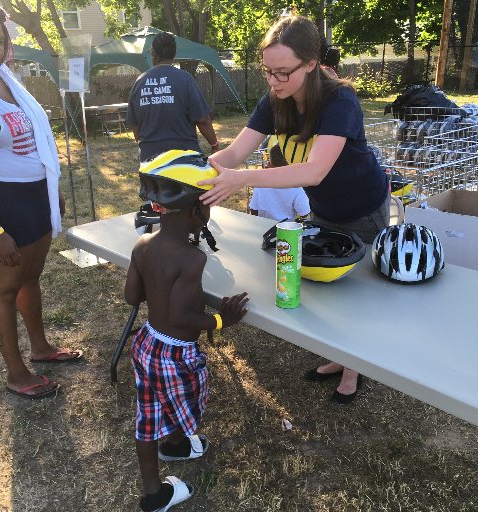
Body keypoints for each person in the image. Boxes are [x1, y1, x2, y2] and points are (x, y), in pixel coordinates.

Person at [198, 15, 389, 405]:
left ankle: (353, 368)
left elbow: (315, 170)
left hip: (362, 208)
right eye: (267, 72)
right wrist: (193, 172)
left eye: (283, 73)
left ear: (312, 64)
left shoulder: (340, 100)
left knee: (355, 293)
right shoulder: (275, 100)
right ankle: (341, 357)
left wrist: (241, 178)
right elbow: (235, 151)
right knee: (325, 286)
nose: (273, 82)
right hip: (322, 210)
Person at [0, 0, 82, 400]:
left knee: (30, 278)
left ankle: (41, 348)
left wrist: (53, 192)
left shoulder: (7, 79)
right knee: (1, 289)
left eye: (0, 41)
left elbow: (35, 143)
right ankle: (16, 373)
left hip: (34, 195)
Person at [125, 150, 249, 512]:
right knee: (186, 405)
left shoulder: (143, 244)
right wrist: (222, 320)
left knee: (147, 414)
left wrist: (157, 284)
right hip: (177, 353)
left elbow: (131, 295)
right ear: (197, 211)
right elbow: (182, 315)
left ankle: (158, 480)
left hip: (146, 343)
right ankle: (177, 443)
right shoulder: (192, 258)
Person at [126, 31, 220, 162]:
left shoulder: (139, 82)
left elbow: (135, 126)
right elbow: (202, 119)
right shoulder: (185, 79)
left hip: (150, 162)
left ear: (154, 53)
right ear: (173, 54)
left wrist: (149, 147)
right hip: (184, 158)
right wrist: (214, 145)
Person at [249, 142, 310, 221]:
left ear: (269, 164)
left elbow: (254, 210)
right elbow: (305, 214)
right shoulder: (296, 188)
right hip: (286, 230)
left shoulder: (260, 184)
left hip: (263, 227)